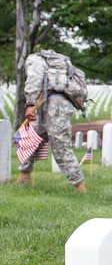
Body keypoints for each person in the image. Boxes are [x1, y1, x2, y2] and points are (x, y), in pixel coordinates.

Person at [17, 50, 86, 192]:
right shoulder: (60, 63)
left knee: (61, 146)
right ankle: (24, 177)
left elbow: (34, 80)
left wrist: (30, 104)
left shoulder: (34, 59)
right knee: (30, 138)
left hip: (52, 105)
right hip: (58, 104)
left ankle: (79, 185)